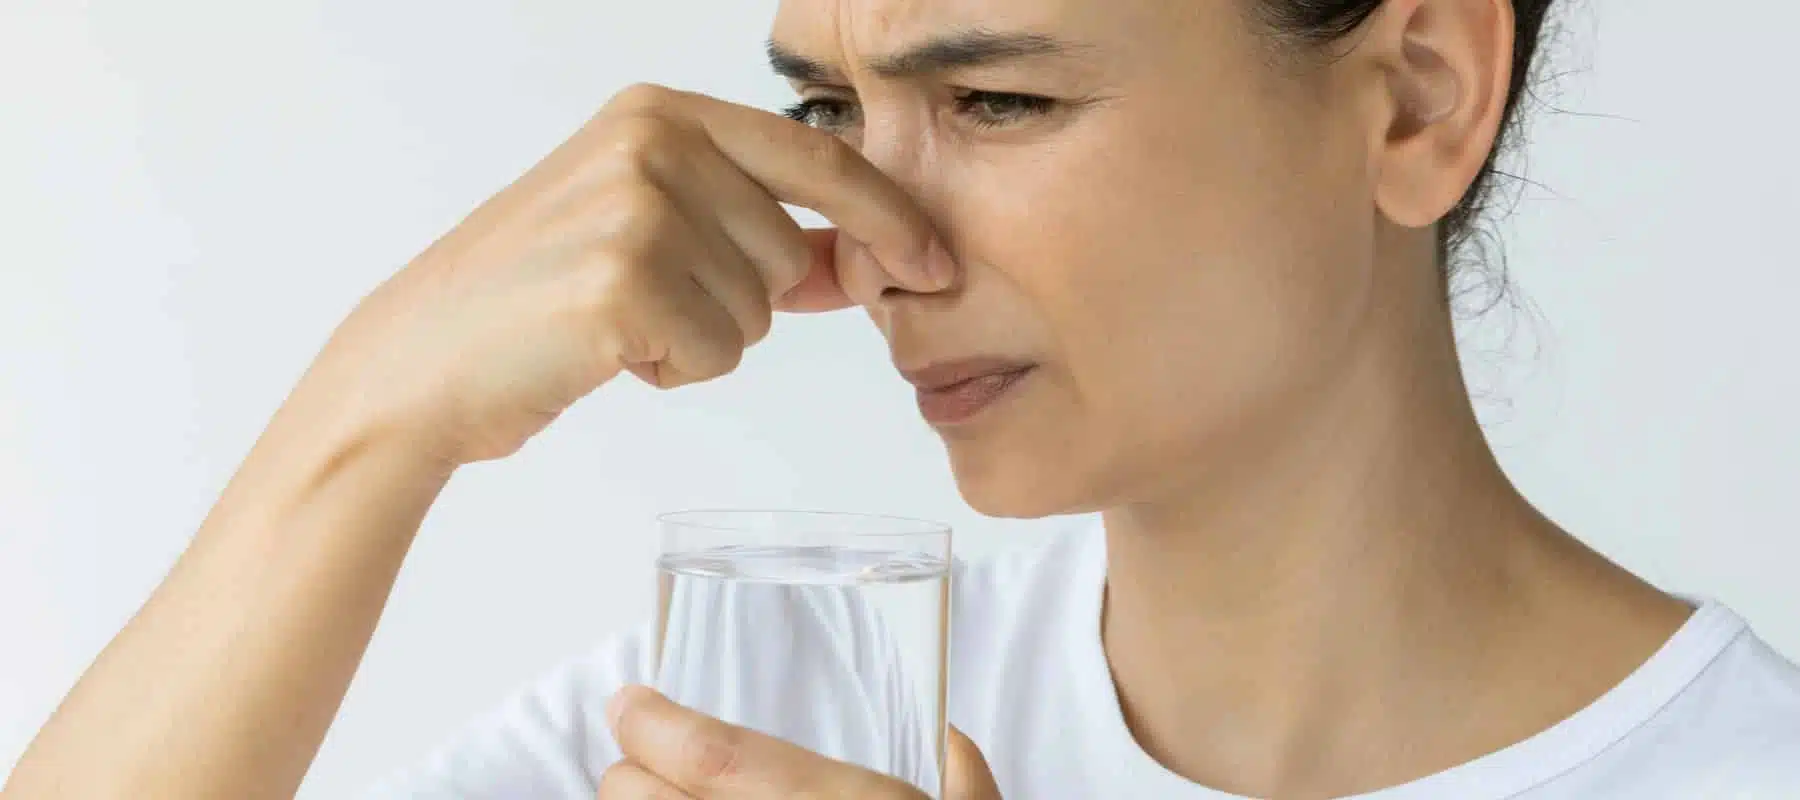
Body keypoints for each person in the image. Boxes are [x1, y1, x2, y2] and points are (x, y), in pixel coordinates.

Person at [7, 0, 1800, 797]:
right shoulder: (762, 722)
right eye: (828, 115)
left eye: (1000, 103)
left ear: (1416, 97)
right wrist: (376, 409)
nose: (876, 244)